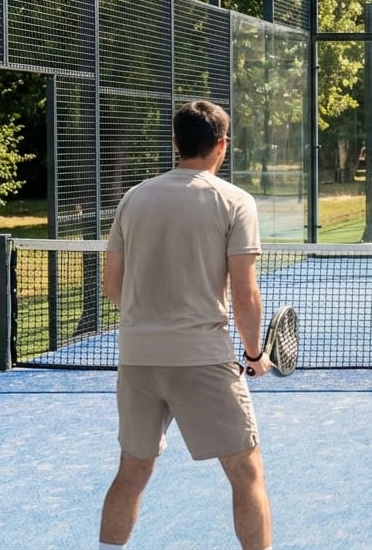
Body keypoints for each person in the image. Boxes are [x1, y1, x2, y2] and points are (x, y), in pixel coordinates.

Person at [99, 101, 272, 550]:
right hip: (201, 359)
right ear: (222, 146)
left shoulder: (133, 198)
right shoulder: (235, 201)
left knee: (132, 470)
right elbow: (244, 294)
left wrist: (154, 315)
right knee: (246, 472)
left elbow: (112, 286)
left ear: (175, 143)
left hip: (136, 358)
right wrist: (253, 355)